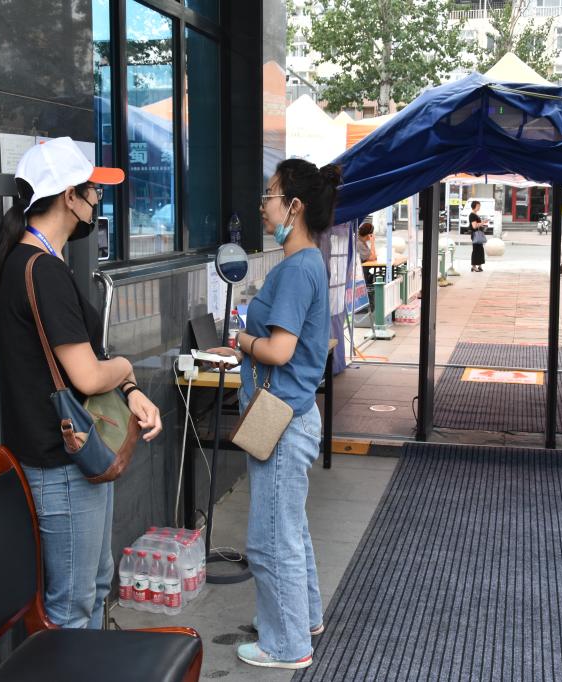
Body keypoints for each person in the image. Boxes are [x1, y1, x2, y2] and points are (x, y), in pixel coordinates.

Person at [0, 137, 163, 629]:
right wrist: (126, 368)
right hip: (62, 463)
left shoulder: (25, 261)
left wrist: (129, 389)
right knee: (73, 607)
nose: (96, 201)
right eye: (93, 191)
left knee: (94, 586)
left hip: (67, 455)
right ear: (70, 196)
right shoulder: (42, 269)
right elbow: (87, 373)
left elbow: (78, 363)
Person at [209, 158, 338, 670]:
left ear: (294, 206)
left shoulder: (296, 268)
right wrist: (244, 348)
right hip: (290, 414)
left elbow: (280, 351)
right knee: (290, 528)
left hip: (280, 420)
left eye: (270, 194)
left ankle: (286, 645)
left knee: (269, 537)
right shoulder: (307, 263)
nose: (263, 205)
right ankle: (302, 618)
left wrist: (241, 340)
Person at [468, 200, 487, 272]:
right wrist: (482, 222)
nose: (479, 207)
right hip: (475, 234)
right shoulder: (472, 215)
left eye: (479, 206)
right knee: (476, 250)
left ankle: (479, 265)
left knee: (480, 250)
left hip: (478, 234)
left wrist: (483, 224)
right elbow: (474, 226)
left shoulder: (476, 214)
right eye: (478, 206)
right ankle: (473, 266)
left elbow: (477, 224)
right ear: (474, 206)